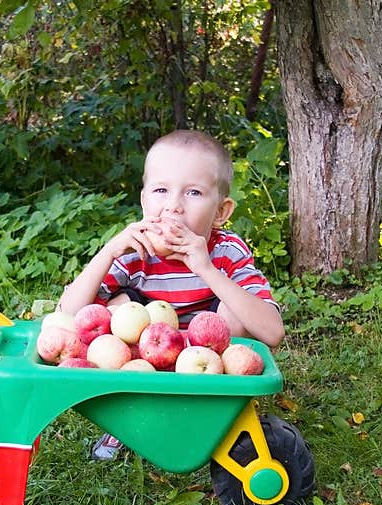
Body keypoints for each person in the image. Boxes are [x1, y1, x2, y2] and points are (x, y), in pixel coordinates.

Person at [59, 129, 285, 460]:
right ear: (144, 200)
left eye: (193, 192)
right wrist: (107, 252)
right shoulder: (136, 254)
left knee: (234, 312)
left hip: (206, 365)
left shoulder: (226, 253)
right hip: (144, 363)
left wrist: (207, 268)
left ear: (221, 212)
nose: (174, 207)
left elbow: (273, 332)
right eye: (161, 190)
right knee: (118, 306)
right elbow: (67, 314)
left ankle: (213, 416)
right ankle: (128, 418)